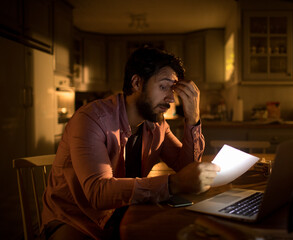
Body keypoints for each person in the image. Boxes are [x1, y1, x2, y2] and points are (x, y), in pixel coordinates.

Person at [41, 47, 220, 239]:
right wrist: (173, 184)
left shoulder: (157, 124)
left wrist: (193, 118)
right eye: (163, 87)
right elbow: (98, 193)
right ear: (136, 83)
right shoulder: (91, 119)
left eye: (173, 90)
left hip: (122, 215)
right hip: (74, 219)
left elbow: (187, 169)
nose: (170, 98)